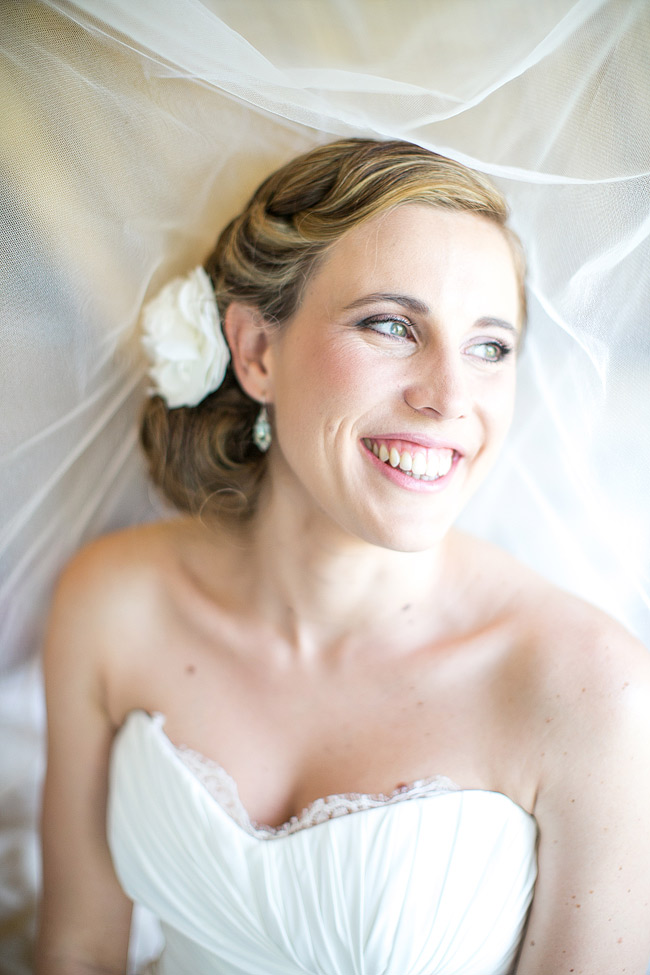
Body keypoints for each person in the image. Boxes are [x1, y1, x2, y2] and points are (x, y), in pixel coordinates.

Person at [35, 139, 650, 975]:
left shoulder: (589, 688)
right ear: (256, 352)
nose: (449, 398)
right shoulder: (113, 601)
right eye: (392, 325)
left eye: (490, 347)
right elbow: (76, 949)